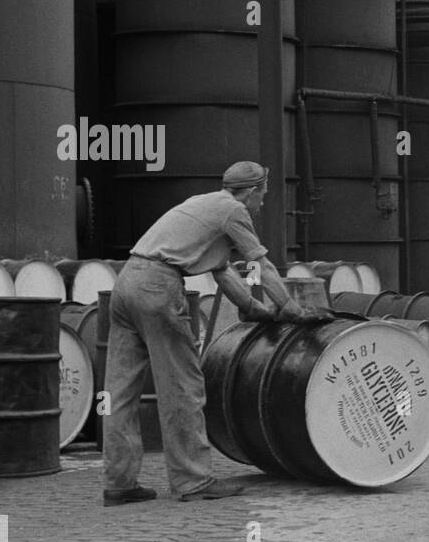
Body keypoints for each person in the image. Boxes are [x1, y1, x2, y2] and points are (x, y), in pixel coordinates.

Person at [102, 161, 307, 505]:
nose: (262, 203)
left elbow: (223, 271)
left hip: (126, 283)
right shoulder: (234, 211)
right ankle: (192, 480)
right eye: (264, 195)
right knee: (182, 387)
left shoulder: (203, 203)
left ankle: (118, 482)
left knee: (118, 394)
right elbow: (259, 265)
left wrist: (252, 307)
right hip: (157, 288)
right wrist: (290, 308)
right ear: (255, 191)